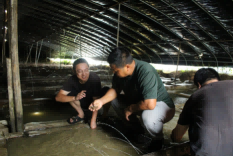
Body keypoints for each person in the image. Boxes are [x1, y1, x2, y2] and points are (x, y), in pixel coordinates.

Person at [89, 48, 175, 152]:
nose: (114, 73)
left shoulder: (145, 71)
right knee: (114, 100)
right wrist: (101, 101)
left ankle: (158, 140)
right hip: (140, 103)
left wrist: (130, 108)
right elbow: (115, 90)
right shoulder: (119, 73)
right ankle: (136, 129)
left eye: (115, 70)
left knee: (147, 116)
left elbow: (150, 104)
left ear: (127, 67)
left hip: (162, 105)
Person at [171, 68, 233, 156]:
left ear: (199, 85)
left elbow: (177, 136)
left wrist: (173, 138)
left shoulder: (197, 95)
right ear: (219, 79)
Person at [55, 58, 108, 129]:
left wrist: (93, 121)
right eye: (80, 71)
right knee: (67, 94)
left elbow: (96, 100)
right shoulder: (71, 80)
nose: (84, 74)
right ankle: (81, 114)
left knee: (107, 90)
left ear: (89, 69)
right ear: (74, 71)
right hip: (80, 102)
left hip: (92, 103)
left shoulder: (94, 78)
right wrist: (74, 98)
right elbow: (58, 97)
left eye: (86, 70)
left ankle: (104, 115)